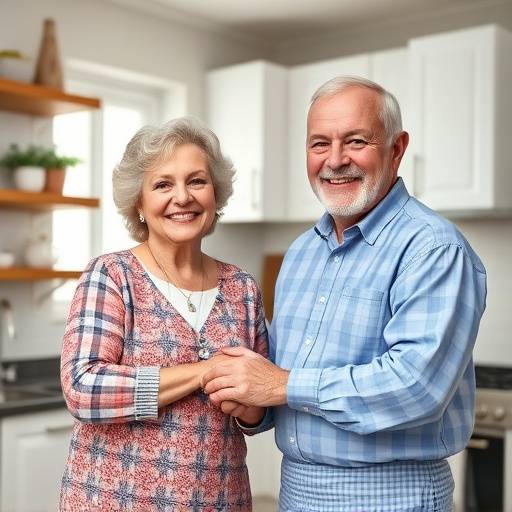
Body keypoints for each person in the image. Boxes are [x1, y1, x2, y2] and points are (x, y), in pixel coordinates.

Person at [203, 76, 487, 511]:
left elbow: (416, 387)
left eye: (355, 141)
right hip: (296, 494)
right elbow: (277, 391)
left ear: (397, 148)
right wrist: (246, 397)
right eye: (319, 144)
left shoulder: (432, 248)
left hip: (393, 499)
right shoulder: (300, 254)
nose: (335, 160)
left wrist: (280, 384)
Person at [59, 117, 268, 511]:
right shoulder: (111, 275)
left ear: (215, 194)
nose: (183, 197)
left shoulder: (242, 287)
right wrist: (204, 372)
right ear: (138, 202)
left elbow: (258, 412)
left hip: (220, 501)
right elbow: (82, 388)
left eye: (197, 181)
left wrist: (250, 404)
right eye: (162, 184)